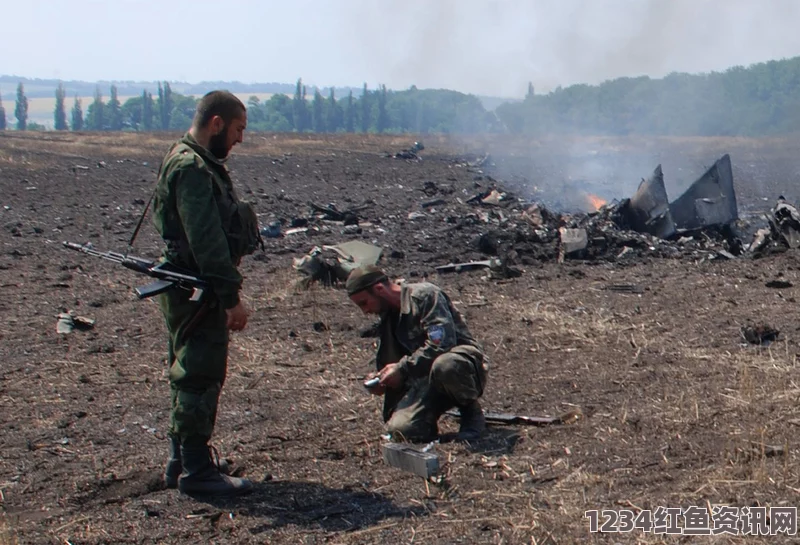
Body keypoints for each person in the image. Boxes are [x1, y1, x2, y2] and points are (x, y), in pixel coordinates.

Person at [152, 90, 261, 496]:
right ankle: (197, 471)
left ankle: (181, 461)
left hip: (189, 285)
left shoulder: (188, 159)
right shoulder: (193, 168)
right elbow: (207, 240)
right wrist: (231, 297)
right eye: (237, 130)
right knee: (199, 374)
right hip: (197, 288)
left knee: (187, 372)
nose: (239, 139)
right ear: (216, 123)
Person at [346, 266, 488, 442]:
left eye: (364, 303)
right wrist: (383, 378)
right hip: (423, 377)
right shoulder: (389, 316)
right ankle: (427, 421)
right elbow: (394, 359)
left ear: (379, 289)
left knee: (446, 365)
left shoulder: (424, 296)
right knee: (401, 431)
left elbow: (442, 344)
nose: (365, 311)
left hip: (460, 367)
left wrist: (402, 369)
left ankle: (471, 413)